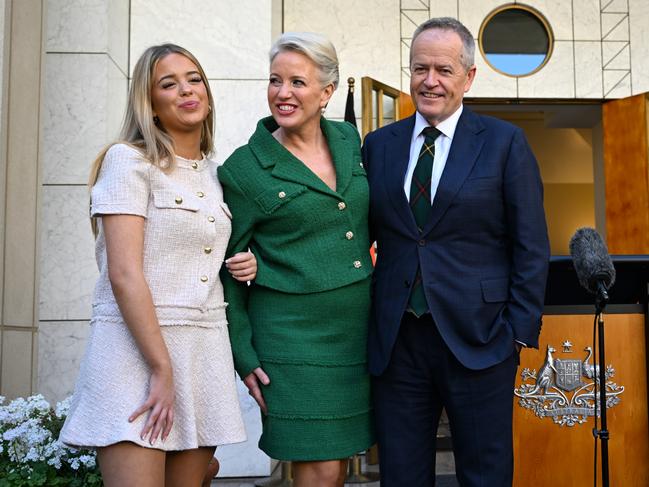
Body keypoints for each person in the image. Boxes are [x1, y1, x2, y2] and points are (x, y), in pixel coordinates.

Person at [362, 17, 550, 487]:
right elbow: (354, 232)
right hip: (398, 340)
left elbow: (531, 245)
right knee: (401, 476)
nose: (430, 81)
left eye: (444, 70)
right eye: (420, 68)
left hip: (483, 339)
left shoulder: (505, 143)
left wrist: (518, 334)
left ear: (468, 77)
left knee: (485, 476)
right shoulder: (378, 146)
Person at [59, 43, 257, 487]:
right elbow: (124, 273)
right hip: (135, 354)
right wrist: (160, 368)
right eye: (169, 83)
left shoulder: (216, 174)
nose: (187, 90)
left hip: (202, 352)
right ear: (149, 103)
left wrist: (246, 262)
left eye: (194, 79)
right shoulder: (128, 161)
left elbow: (202, 256)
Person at [218, 32, 374, 487]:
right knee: (317, 464)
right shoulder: (244, 168)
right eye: (275, 81)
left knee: (338, 461)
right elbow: (226, 272)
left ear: (327, 92)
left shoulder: (348, 139)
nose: (283, 93)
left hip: (355, 334)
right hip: (290, 340)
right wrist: (243, 355)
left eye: (297, 82)